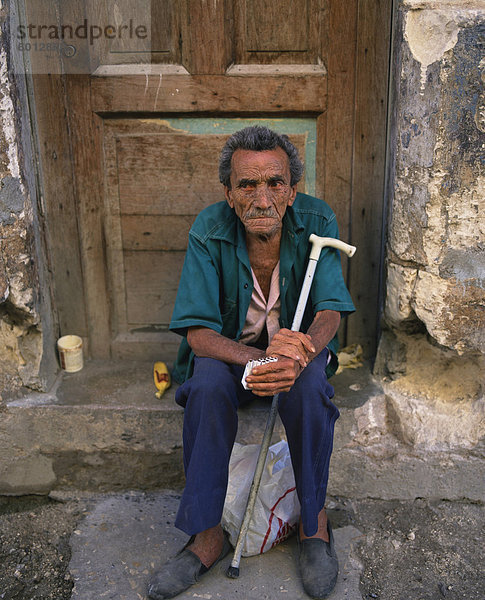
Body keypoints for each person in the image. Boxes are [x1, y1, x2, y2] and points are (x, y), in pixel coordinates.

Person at [147, 126, 355, 600]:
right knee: (205, 387)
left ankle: (314, 524)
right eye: (247, 185)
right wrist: (261, 359)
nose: (262, 199)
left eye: (275, 184)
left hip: (293, 357)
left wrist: (300, 355)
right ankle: (206, 536)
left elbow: (330, 311)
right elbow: (198, 333)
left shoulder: (318, 219)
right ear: (228, 192)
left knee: (310, 390)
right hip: (232, 354)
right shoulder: (209, 227)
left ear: (292, 189)